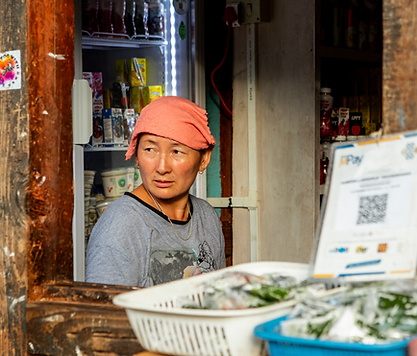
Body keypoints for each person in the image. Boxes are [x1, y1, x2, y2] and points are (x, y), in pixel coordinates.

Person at [86, 96, 226, 287]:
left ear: (204, 158)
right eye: (150, 149)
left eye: (176, 152)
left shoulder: (206, 217)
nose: (162, 167)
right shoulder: (121, 226)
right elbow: (105, 313)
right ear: (136, 154)